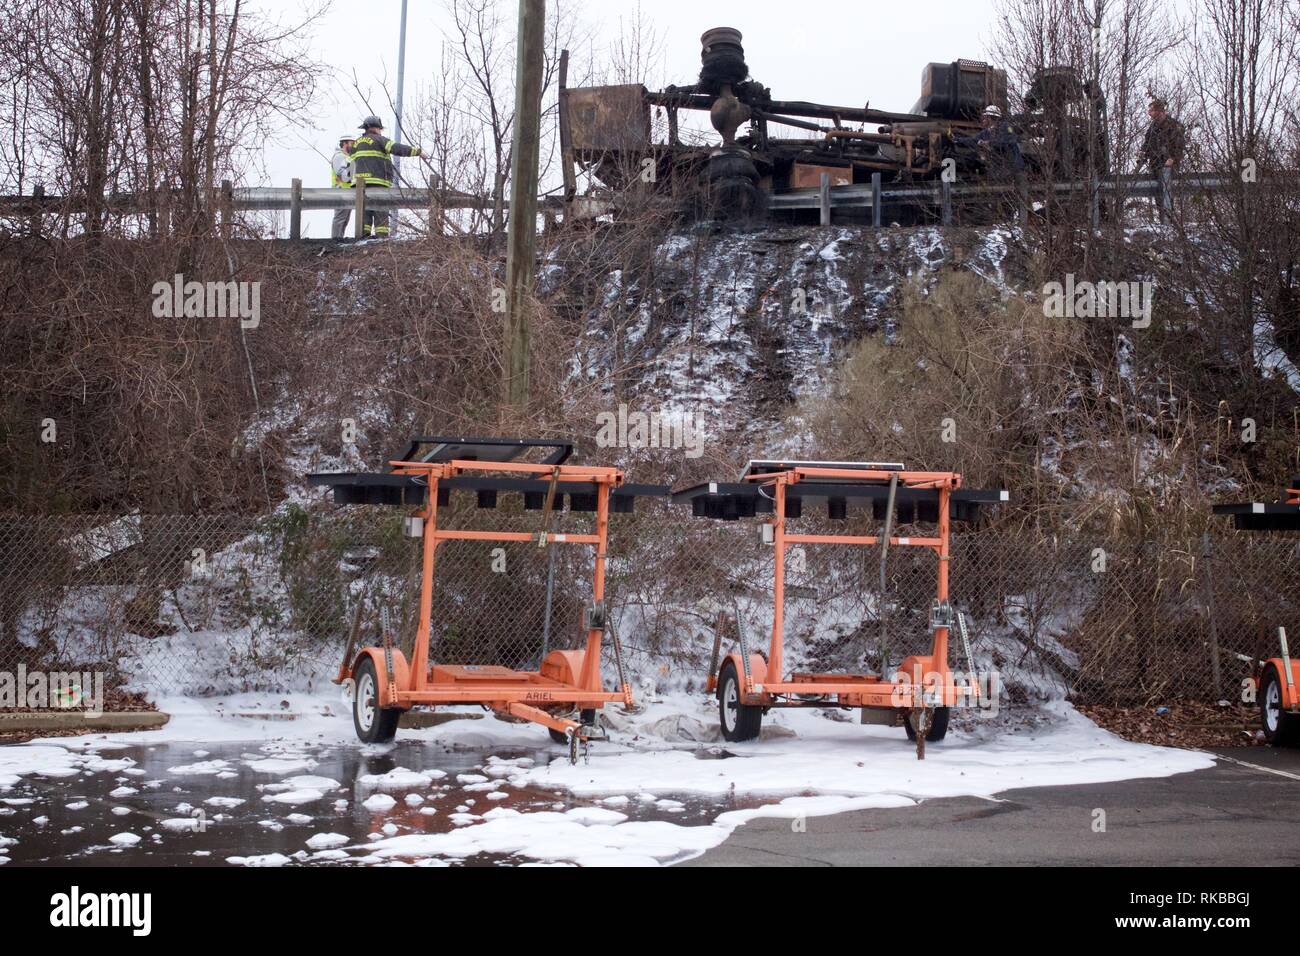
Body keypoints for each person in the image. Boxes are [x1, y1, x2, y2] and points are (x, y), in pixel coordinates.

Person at [350, 115, 423, 238]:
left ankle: (362, 239)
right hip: (378, 182)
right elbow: (397, 149)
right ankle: (381, 240)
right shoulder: (380, 140)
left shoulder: (356, 144)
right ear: (376, 128)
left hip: (359, 186)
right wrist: (417, 152)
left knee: (364, 212)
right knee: (381, 212)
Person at [955, 104, 1026, 220]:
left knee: (1010, 195)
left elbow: (1008, 141)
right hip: (1000, 170)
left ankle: (1014, 220)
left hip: (1012, 168)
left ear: (990, 117)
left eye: (985, 117)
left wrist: (989, 143)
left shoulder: (1006, 128)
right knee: (999, 194)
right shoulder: (987, 132)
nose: (983, 119)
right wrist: (957, 140)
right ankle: (1005, 220)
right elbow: (974, 140)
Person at [1139, 98, 1185, 222]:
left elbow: (1179, 144)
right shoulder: (1153, 126)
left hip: (1168, 165)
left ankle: (1170, 221)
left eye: (1152, 110)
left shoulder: (1173, 125)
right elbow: (1147, 142)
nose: (1149, 113)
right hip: (1155, 164)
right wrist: (1142, 153)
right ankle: (1162, 220)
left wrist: (1173, 158)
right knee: (1158, 194)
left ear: (1159, 110)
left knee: (1167, 193)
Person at [330, 133, 356, 239]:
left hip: (347, 191)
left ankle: (339, 239)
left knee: (344, 219)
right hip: (341, 191)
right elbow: (345, 176)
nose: (354, 146)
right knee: (340, 218)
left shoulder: (347, 157)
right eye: (352, 143)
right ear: (344, 143)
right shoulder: (339, 157)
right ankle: (336, 240)